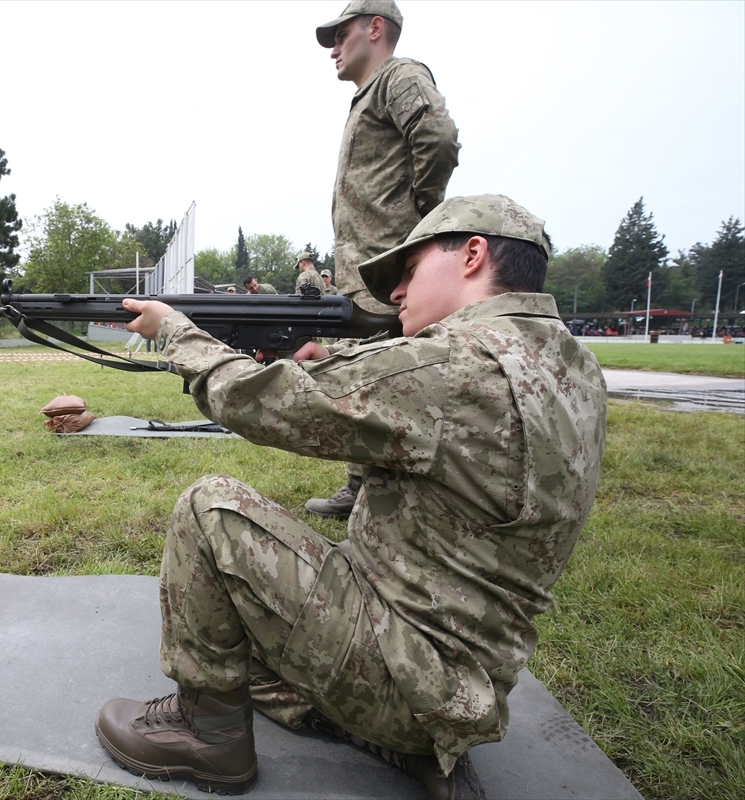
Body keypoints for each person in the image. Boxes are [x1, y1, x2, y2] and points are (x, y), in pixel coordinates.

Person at [96, 195, 608, 799]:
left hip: (402, 670)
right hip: (467, 680)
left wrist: (178, 335)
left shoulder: (458, 364)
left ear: (472, 255)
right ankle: (399, 736)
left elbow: (265, 402)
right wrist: (337, 358)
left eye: (410, 270)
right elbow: (432, 416)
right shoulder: (570, 364)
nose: (396, 294)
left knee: (213, 511)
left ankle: (208, 737)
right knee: (246, 628)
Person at [307, 0, 462, 521]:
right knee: (369, 372)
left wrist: (422, 213)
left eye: (340, 33)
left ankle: (386, 491)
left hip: (387, 267)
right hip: (365, 268)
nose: (333, 47)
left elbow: (437, 136)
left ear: (375, 28)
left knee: (387, 376)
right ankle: (365, 485)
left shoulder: (400, 75)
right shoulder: (367, 95)